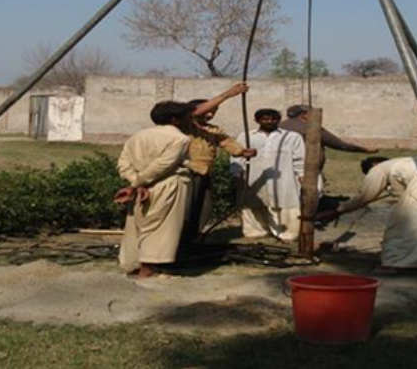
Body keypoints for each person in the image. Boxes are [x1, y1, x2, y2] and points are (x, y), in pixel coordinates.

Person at [115, 101, 194, 278]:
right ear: (175, 120)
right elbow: (162, 166)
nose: (190, 121)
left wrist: (134, 183)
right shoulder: (180, 139)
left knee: (137, 224)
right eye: (187, 117)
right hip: (167, 184)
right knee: (161, 227)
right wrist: (138, 183)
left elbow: (124, 164)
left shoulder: (137, 136)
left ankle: (134, 264)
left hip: (140, 186)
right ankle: (148, 268)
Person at [182, 83, 257, 240]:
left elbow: (226, 142)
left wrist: (242, 152)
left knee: (204, 206)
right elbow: (195, 112)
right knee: (185, 207)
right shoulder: (186, 125)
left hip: (205, 172)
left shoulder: (213, 129)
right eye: (208, 111)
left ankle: (193, 237)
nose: (210, 114)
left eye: (214, 111)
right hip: (186, 171)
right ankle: (180, 238)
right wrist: (228, 94)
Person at [230, 108, 306, 241]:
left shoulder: (292, 137)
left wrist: (301, 174)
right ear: (257, 120)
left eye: (273, 119)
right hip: (254, 176)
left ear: (278, 120)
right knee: (253, 203)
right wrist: (236, 174)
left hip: (283, 177)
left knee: (285, 203)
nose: (270, 121)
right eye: (265, 119)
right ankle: (256, 231)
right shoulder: (246, 136)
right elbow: (237, 156)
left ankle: (287, 233)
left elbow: (299, 158)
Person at [280, 104, 378, 178]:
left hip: (281, 167)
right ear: (304, 115)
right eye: (312, 114)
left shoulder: (279, 126)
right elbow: (338, 144)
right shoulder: (311, 128)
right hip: (306, 170)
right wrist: (364, 150)